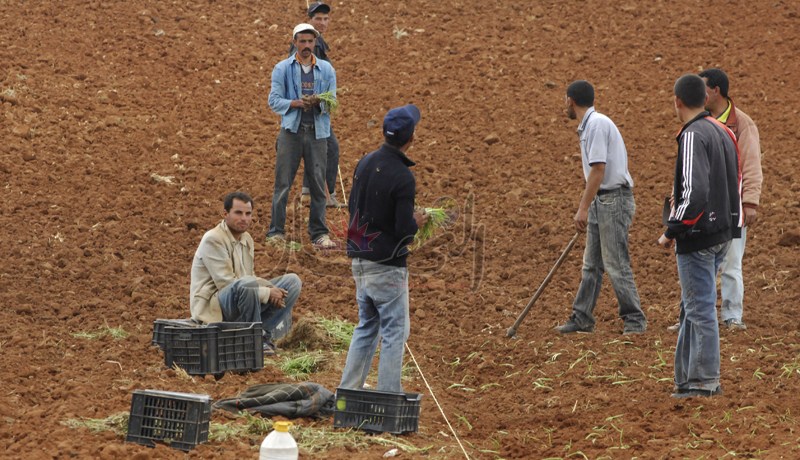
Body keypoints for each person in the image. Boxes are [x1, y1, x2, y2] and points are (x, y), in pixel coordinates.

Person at [658, 74, 741, 398]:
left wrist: (672, 230)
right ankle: (686, 379)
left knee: (700, 309)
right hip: (722, 233)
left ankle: (704, 381)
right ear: (705, 99)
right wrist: (732, 226)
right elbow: (734, 180)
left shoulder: (692, 134)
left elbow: (695, 192)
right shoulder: (723, 130)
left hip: (699, 235)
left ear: (677, 101)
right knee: (691, 307)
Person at [338, 104, 427, 393]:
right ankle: (388, 395)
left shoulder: (365, 162)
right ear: (411, 138)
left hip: (360, 259)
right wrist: (416, 222)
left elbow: (353, 209)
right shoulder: (403, 176)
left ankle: (349, 391)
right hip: (387, 265)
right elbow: (403, 229)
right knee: (394, 331)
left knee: (367, 326)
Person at [555, 80, 647, 335]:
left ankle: (635, 320)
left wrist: (583, 208)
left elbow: (598, 169)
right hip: (603, 199)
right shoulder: (590, 125)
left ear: (571, 101)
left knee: (616, 263)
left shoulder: (595, 125)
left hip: (613, 200)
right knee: (591, 264)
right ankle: (582, 317)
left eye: (565, 100)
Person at [190, 191, 303, 355]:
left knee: (292, 282)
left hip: (241, 295)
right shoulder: (213, 239)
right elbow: (227, 283)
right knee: (247, 285)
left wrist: (271, 289)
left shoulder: (247, 239)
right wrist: (267, 293)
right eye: (238, 213)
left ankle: (262, 333)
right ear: (225, 214)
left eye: (248, 214)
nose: (244, 218)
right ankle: (253, 340)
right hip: (215, 305)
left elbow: (249, 276)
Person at [267, 23, 337, 249]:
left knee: (318, 184)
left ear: (315, 43)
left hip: (318, 133)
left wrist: (319, 102)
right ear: (294, 43)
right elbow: (274, 101)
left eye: (310, 41)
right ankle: (276, 232)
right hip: (291, 132)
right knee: (282, 183)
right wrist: (296, 103)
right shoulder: (282, 69)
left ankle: (319, 233)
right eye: (302, 41)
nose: (307, 45)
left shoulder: (326, 69)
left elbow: (332, 101)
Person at [289, 2, 344, 209]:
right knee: (329, 147)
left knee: (315, 147)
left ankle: (307, 193)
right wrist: (315, 97)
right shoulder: (312, 44)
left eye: (326, 19)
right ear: (309, 19)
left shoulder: (316, 42)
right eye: (318, 18)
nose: (322, 22)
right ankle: (326, 195)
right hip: (310, 108)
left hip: (311, 106)